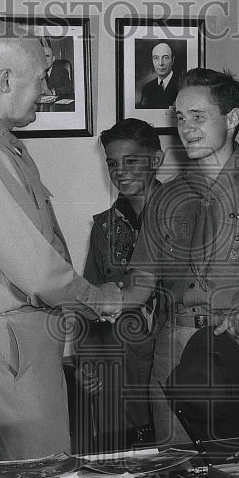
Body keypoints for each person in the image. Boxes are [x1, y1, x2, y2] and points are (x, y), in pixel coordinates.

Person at [0, 24, 122, 461]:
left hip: (6, 347)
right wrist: (99, 299)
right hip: (7, 351)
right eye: (40, 80)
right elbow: (35, 268)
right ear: (6, 80)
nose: (47, 92)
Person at [123, 68, 239, 443]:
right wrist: (92, 298)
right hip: (172, 350)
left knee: (237, 470)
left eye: (197, 117)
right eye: (179, 118)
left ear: (232, 119)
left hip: (235, 350)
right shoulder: (163, 198)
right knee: (174, 469)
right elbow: (139, 282)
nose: (186, 128)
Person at [79, 118, 164, 448]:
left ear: (155, 160)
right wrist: (87, 362)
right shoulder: (105, 228)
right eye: (112, 164)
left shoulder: (186, 217)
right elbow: (88, 300)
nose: (120, 172)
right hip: (118, 374)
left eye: (131, 161)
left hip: (168, 367)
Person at [137, 42, 180, 109]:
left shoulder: (182, 85)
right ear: (152, 60)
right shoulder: (147, 88)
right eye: (156, 58)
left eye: (165, 58)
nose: (160, 63)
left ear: (172, 60)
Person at [40, 39, 75, 110]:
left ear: (53, 58)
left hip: (56, 108)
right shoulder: (35, 72)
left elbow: (69, 88)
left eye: (47, 56)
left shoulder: (62, 71)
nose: (44, 59)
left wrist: (52, 91)